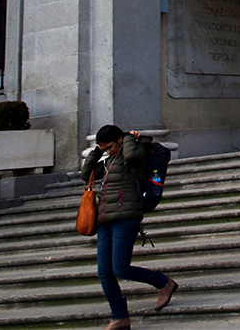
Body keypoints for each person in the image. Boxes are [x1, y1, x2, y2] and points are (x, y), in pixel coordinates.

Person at [79, 125, 178, 329]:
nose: (108, 151)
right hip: (105, 219)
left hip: (127, 216)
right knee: (104, 272)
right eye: (104, 148)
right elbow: (86, 174)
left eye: (109, 147)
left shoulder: (135, 153)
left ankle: (163, 282)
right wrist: (97, 151)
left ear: (119, 140)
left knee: (120, 268)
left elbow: (132, 157)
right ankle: (119, 316)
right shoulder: (107, 161)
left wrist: (129, 139)